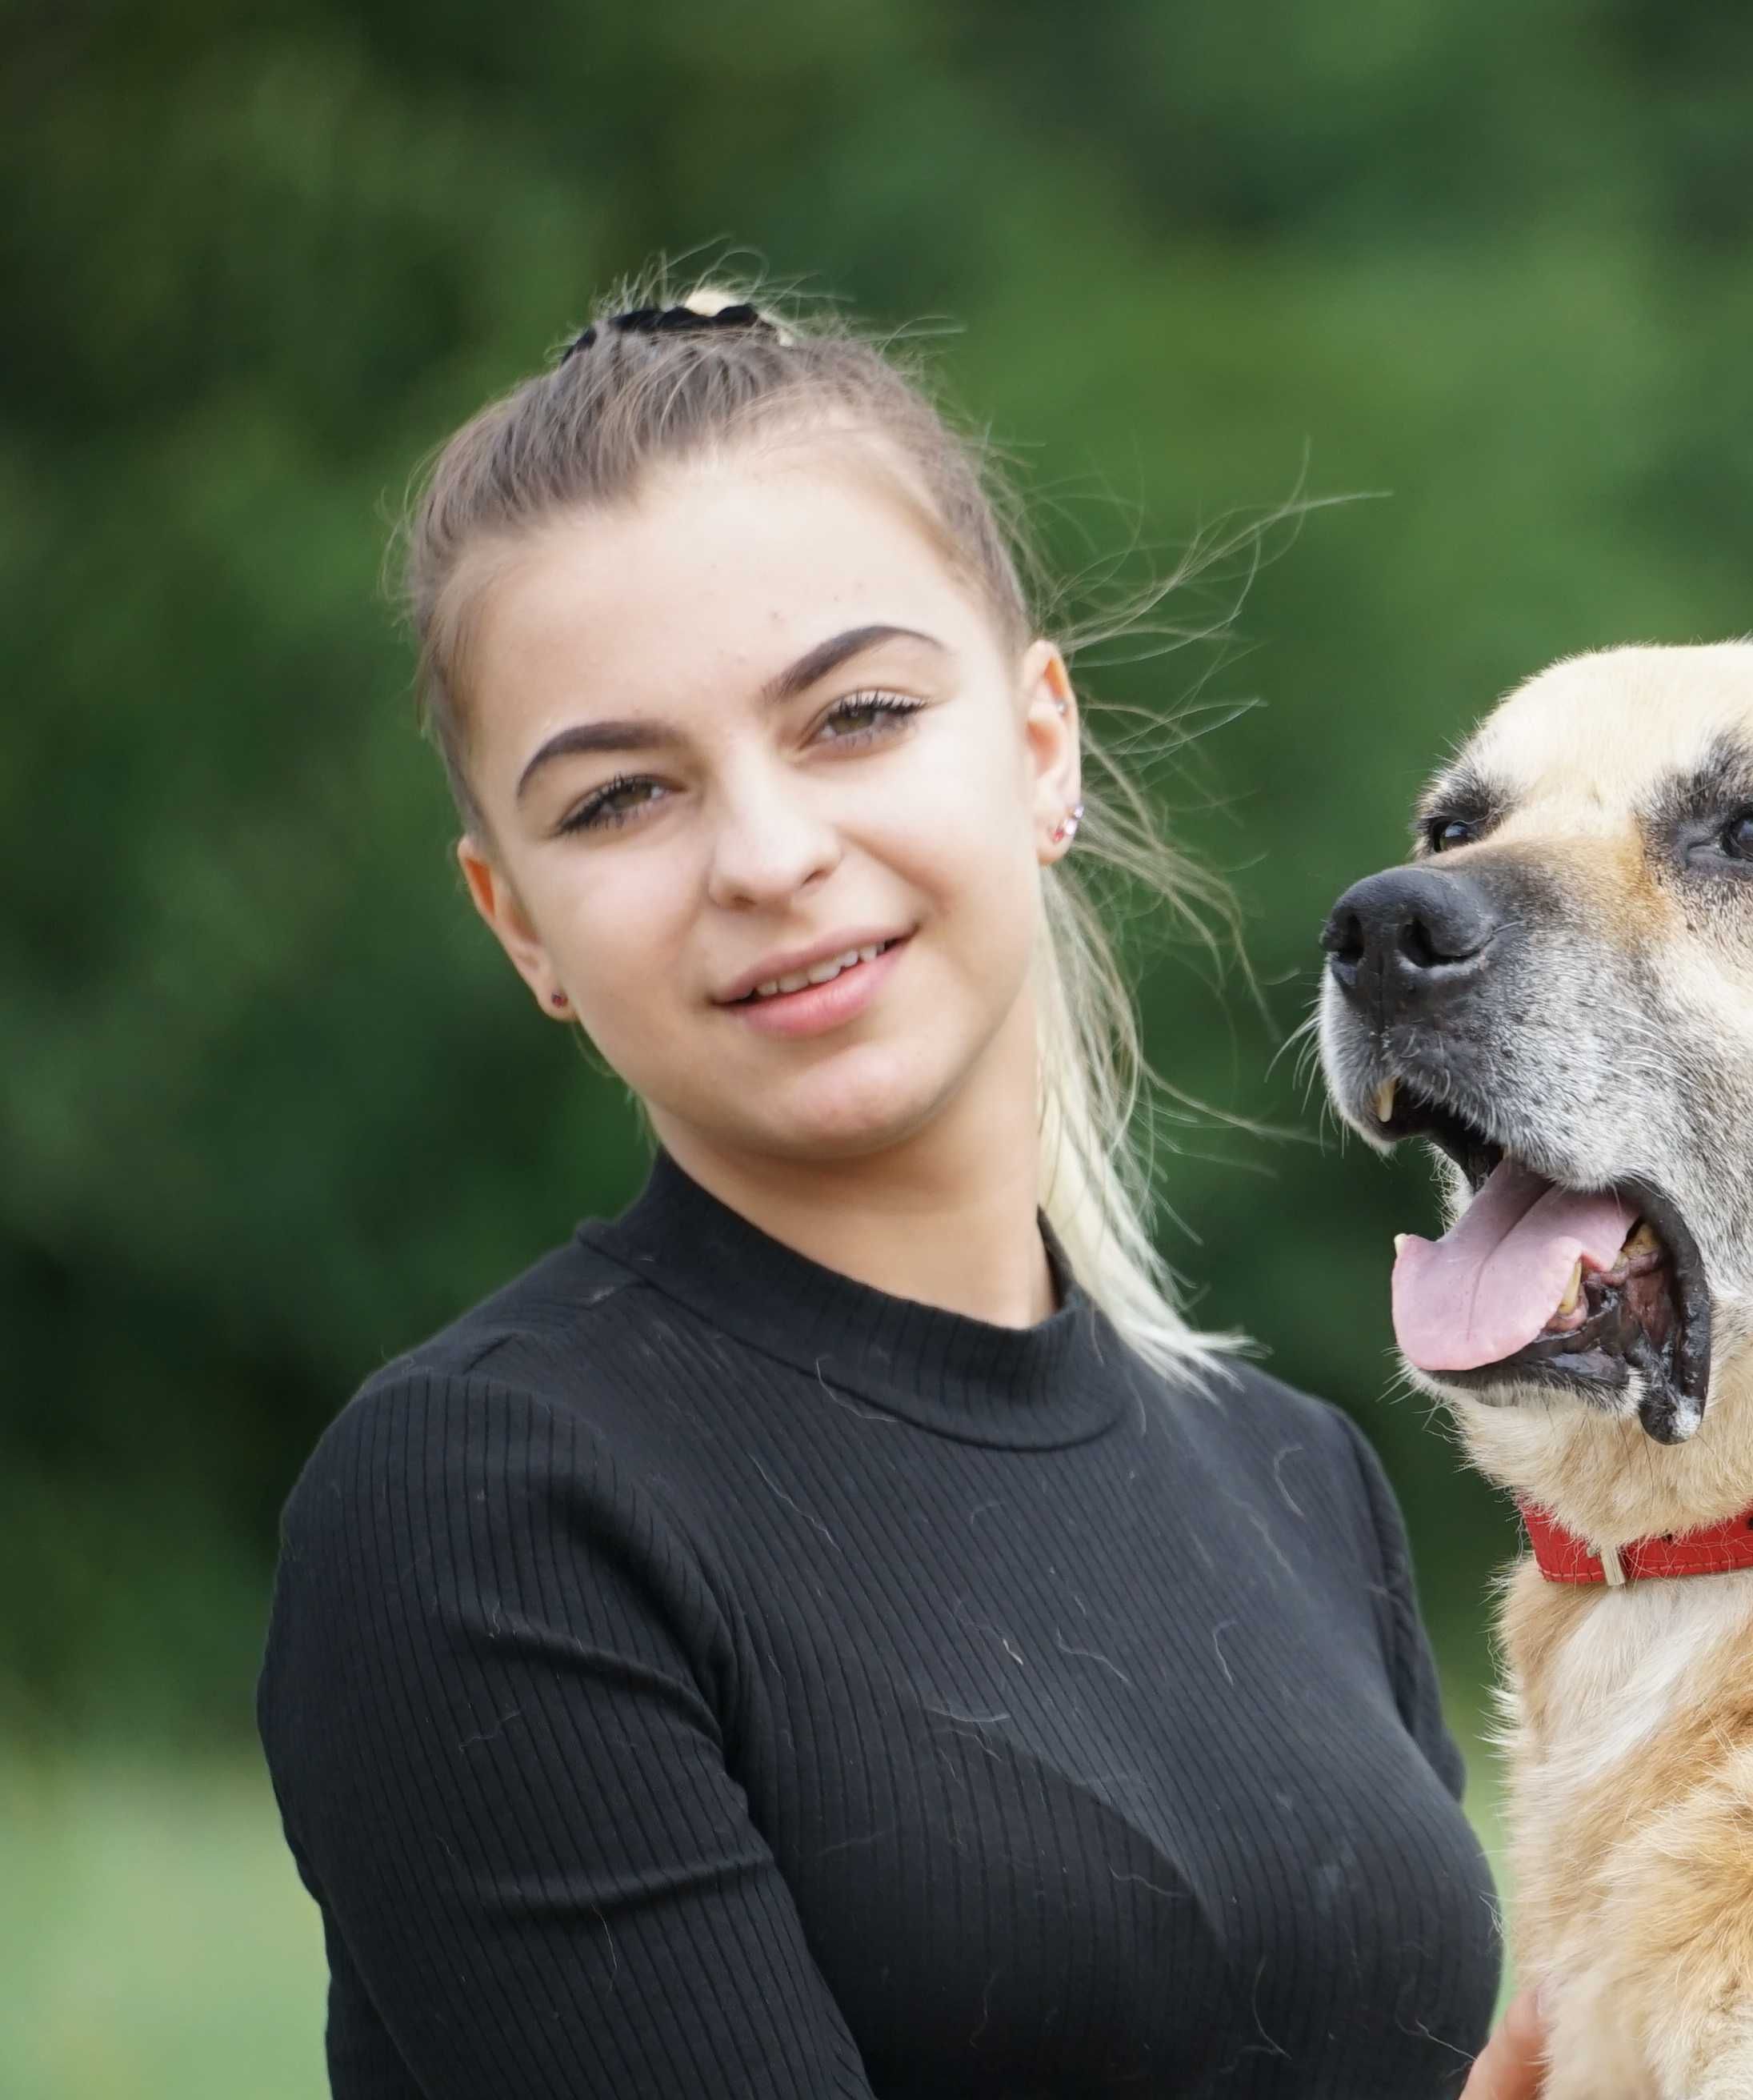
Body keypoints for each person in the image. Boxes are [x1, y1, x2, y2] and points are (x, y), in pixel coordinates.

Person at [256, 284, 1542, 2098]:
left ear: (1037, 747)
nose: (771, 856)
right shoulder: (485, 1514)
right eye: (621, 799)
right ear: (517, 921)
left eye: (854, 714)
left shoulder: (1295, 1476)